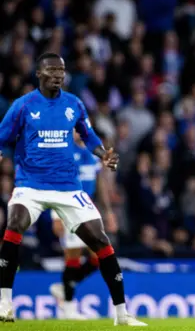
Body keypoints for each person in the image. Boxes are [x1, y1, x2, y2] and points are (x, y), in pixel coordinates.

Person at [0, 52, 145, 326]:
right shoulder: (23, 105)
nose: (58, 75)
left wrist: (103, 154)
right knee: (15, 223)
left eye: (61, 70)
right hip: (30, 184)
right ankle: (5, 301)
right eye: (52, 70)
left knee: (102, 242)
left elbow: (88, 135)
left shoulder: (74, 104)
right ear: (39, 74)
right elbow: (2, 135)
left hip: (68, 188)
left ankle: (122, 315)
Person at [48, 130, 118, 320]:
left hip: (87, 209)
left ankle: (64, 289)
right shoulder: (65, 152)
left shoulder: (92, 153)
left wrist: (109, 211)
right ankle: (68, 309)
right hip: (68, 207)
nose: (77, 132)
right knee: (74, 254)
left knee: (98, 256)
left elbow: (100, 183)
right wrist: (55, 214)